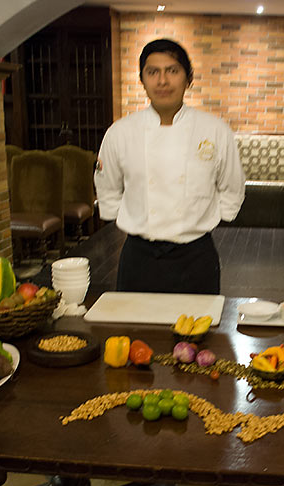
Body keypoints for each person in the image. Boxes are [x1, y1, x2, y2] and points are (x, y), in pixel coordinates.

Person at [94, 38, 245, 294]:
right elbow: (107, 189)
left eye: (172, 71)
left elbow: (232, 186)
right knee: (135, 330)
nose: (162, 81)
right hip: (138, 257)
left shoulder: (215, 130)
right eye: (153, 72)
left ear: (189, 78)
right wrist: (133, 217)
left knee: (199, 330)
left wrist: (207, 217)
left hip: (196, 257)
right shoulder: (120, 132)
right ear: (142, 80)